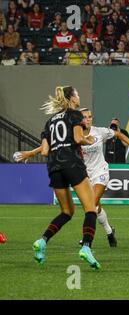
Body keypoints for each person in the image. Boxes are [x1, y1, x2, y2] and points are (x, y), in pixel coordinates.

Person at [17, 109, 129, 247]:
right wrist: (30, 153)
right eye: (85, 117)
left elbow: (118, 134)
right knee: (95, 207)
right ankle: (109, 231)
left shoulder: (99, 132)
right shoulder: (73, 135)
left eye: (90, 117)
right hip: (83, 174)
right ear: (79, 120)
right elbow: (51, 145)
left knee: (92, 203)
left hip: (100, 171)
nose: (88, 119)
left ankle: (86, 240)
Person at [32, 86, 101, 270]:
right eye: (77, 94)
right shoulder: (75, 115)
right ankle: (86, 247)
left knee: (67, 212)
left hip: (54, 167)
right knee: (91, 209)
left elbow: (45, 151)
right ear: (71, 98)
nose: (79, 96)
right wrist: (89, 140)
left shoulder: (49, 122)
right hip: (72, 164)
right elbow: (78, 139)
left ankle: (42, 241)